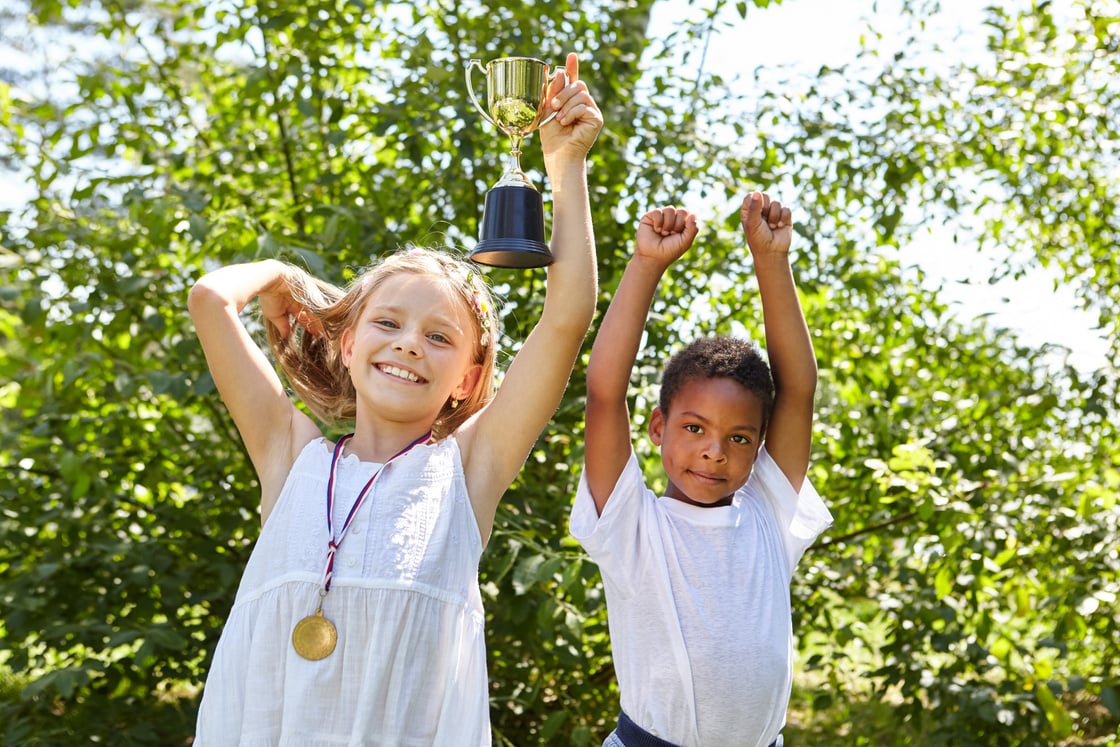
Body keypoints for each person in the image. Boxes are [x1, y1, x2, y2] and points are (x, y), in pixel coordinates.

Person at [188, 52, 602, 746]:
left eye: (440, 336)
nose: (409, 343)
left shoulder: (467, 471)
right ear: (346, 345)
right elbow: (208, 298)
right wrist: (283, 276)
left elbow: (567, 316)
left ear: (468, 379)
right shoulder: (288, 454)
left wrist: (565, 168)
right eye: (386, 322)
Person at [570, 195, 833, 747]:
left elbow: (798, 391)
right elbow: (603, 391)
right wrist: (646, 265)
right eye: (695, 428)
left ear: (760, 445)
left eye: (739, 438)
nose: (716, 451)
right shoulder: (631, 524)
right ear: (658, 426)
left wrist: (771, 262)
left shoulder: (768, 516)